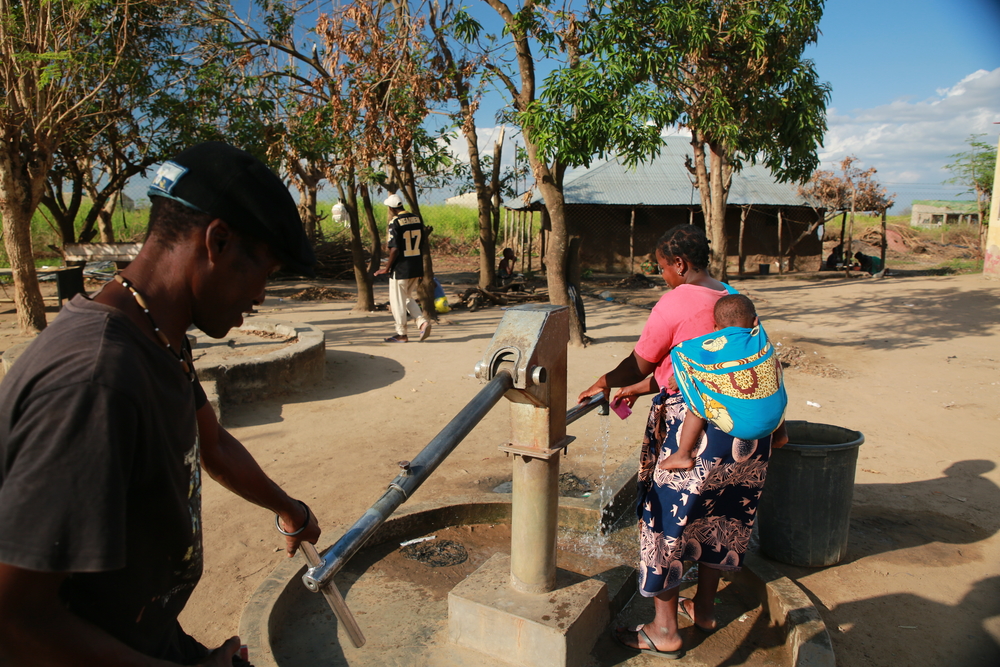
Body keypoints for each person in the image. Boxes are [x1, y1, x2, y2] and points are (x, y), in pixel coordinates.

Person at [0, 142, 322, 666]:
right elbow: (15, 622)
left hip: (144, 638)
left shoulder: (159, 333)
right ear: (217, 241)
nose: (262, 294)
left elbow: (211, 444)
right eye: (266, 269)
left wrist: (287, 507)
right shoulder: (97, 380)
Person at [578, 224, 776, 659]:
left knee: (665, 521)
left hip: (698, 432)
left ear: (681, 264)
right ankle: (704, 609)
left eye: (663, 268)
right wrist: (647, 387)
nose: (662, 276)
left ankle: (664, 630)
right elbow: (707, 366)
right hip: (744, 437)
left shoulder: (678, 299)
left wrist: (608, 381)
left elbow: (641, 360)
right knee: (718, 518)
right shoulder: (730, 299)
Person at [660, 294, 788, 471]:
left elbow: (681, 354)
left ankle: (683, 454)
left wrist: (683, 378)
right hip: (773, 422)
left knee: (698, 395)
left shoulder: (710, 351)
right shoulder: (761, 339)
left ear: (715, 328)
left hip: (740, 428)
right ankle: (782, 435)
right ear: (756, 322)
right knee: (772, 376)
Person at [374, 193, 431, 343]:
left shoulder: (395, 222)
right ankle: (422, 322)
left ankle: (401, 334)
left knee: (396, 300)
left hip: (401, 268)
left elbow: (394, 249)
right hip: (415, 265)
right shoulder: (417, 218)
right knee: (406, 297)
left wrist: (386, 268)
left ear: (391, 208)